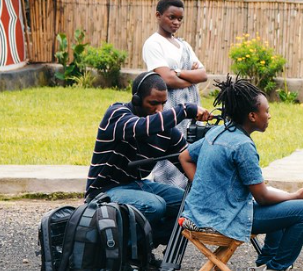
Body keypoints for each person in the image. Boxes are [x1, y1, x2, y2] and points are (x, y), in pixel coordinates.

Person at [178, 76, 303, 271]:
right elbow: (262, 197)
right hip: (223, 219)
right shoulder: (243, 145)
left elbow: (184, 156)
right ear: (252, 116)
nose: (269, 115)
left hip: (198, 213)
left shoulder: (218, 132)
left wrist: (203, 187)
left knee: (282, 208)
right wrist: (294, 195)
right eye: (266, 111)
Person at [86, 70, 211, 247]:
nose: (159, 109)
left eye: (163, 104)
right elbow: (143, 127)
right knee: (155, 206)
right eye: (153, 103)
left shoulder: (167, 133)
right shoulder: (117, 114)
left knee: (189, 206)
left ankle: (143, 246)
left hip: (137, 186)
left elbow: (188, 160)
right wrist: (186, 110)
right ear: (136, 100)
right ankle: (124, 254)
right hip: (103, 192)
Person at [142, 0, 208, 189]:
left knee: (190, 149)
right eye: (172, 17)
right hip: (169, 109)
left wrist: (178, 71)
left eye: (180, 19)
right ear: (158, 15)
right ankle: (169, 194)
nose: (176, 22)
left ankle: (188, 197)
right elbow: (166, 79)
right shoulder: (153, 44)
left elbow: (203, 75)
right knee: (168, 152)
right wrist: (188, 75)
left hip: (190, 112)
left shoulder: (184, 46)